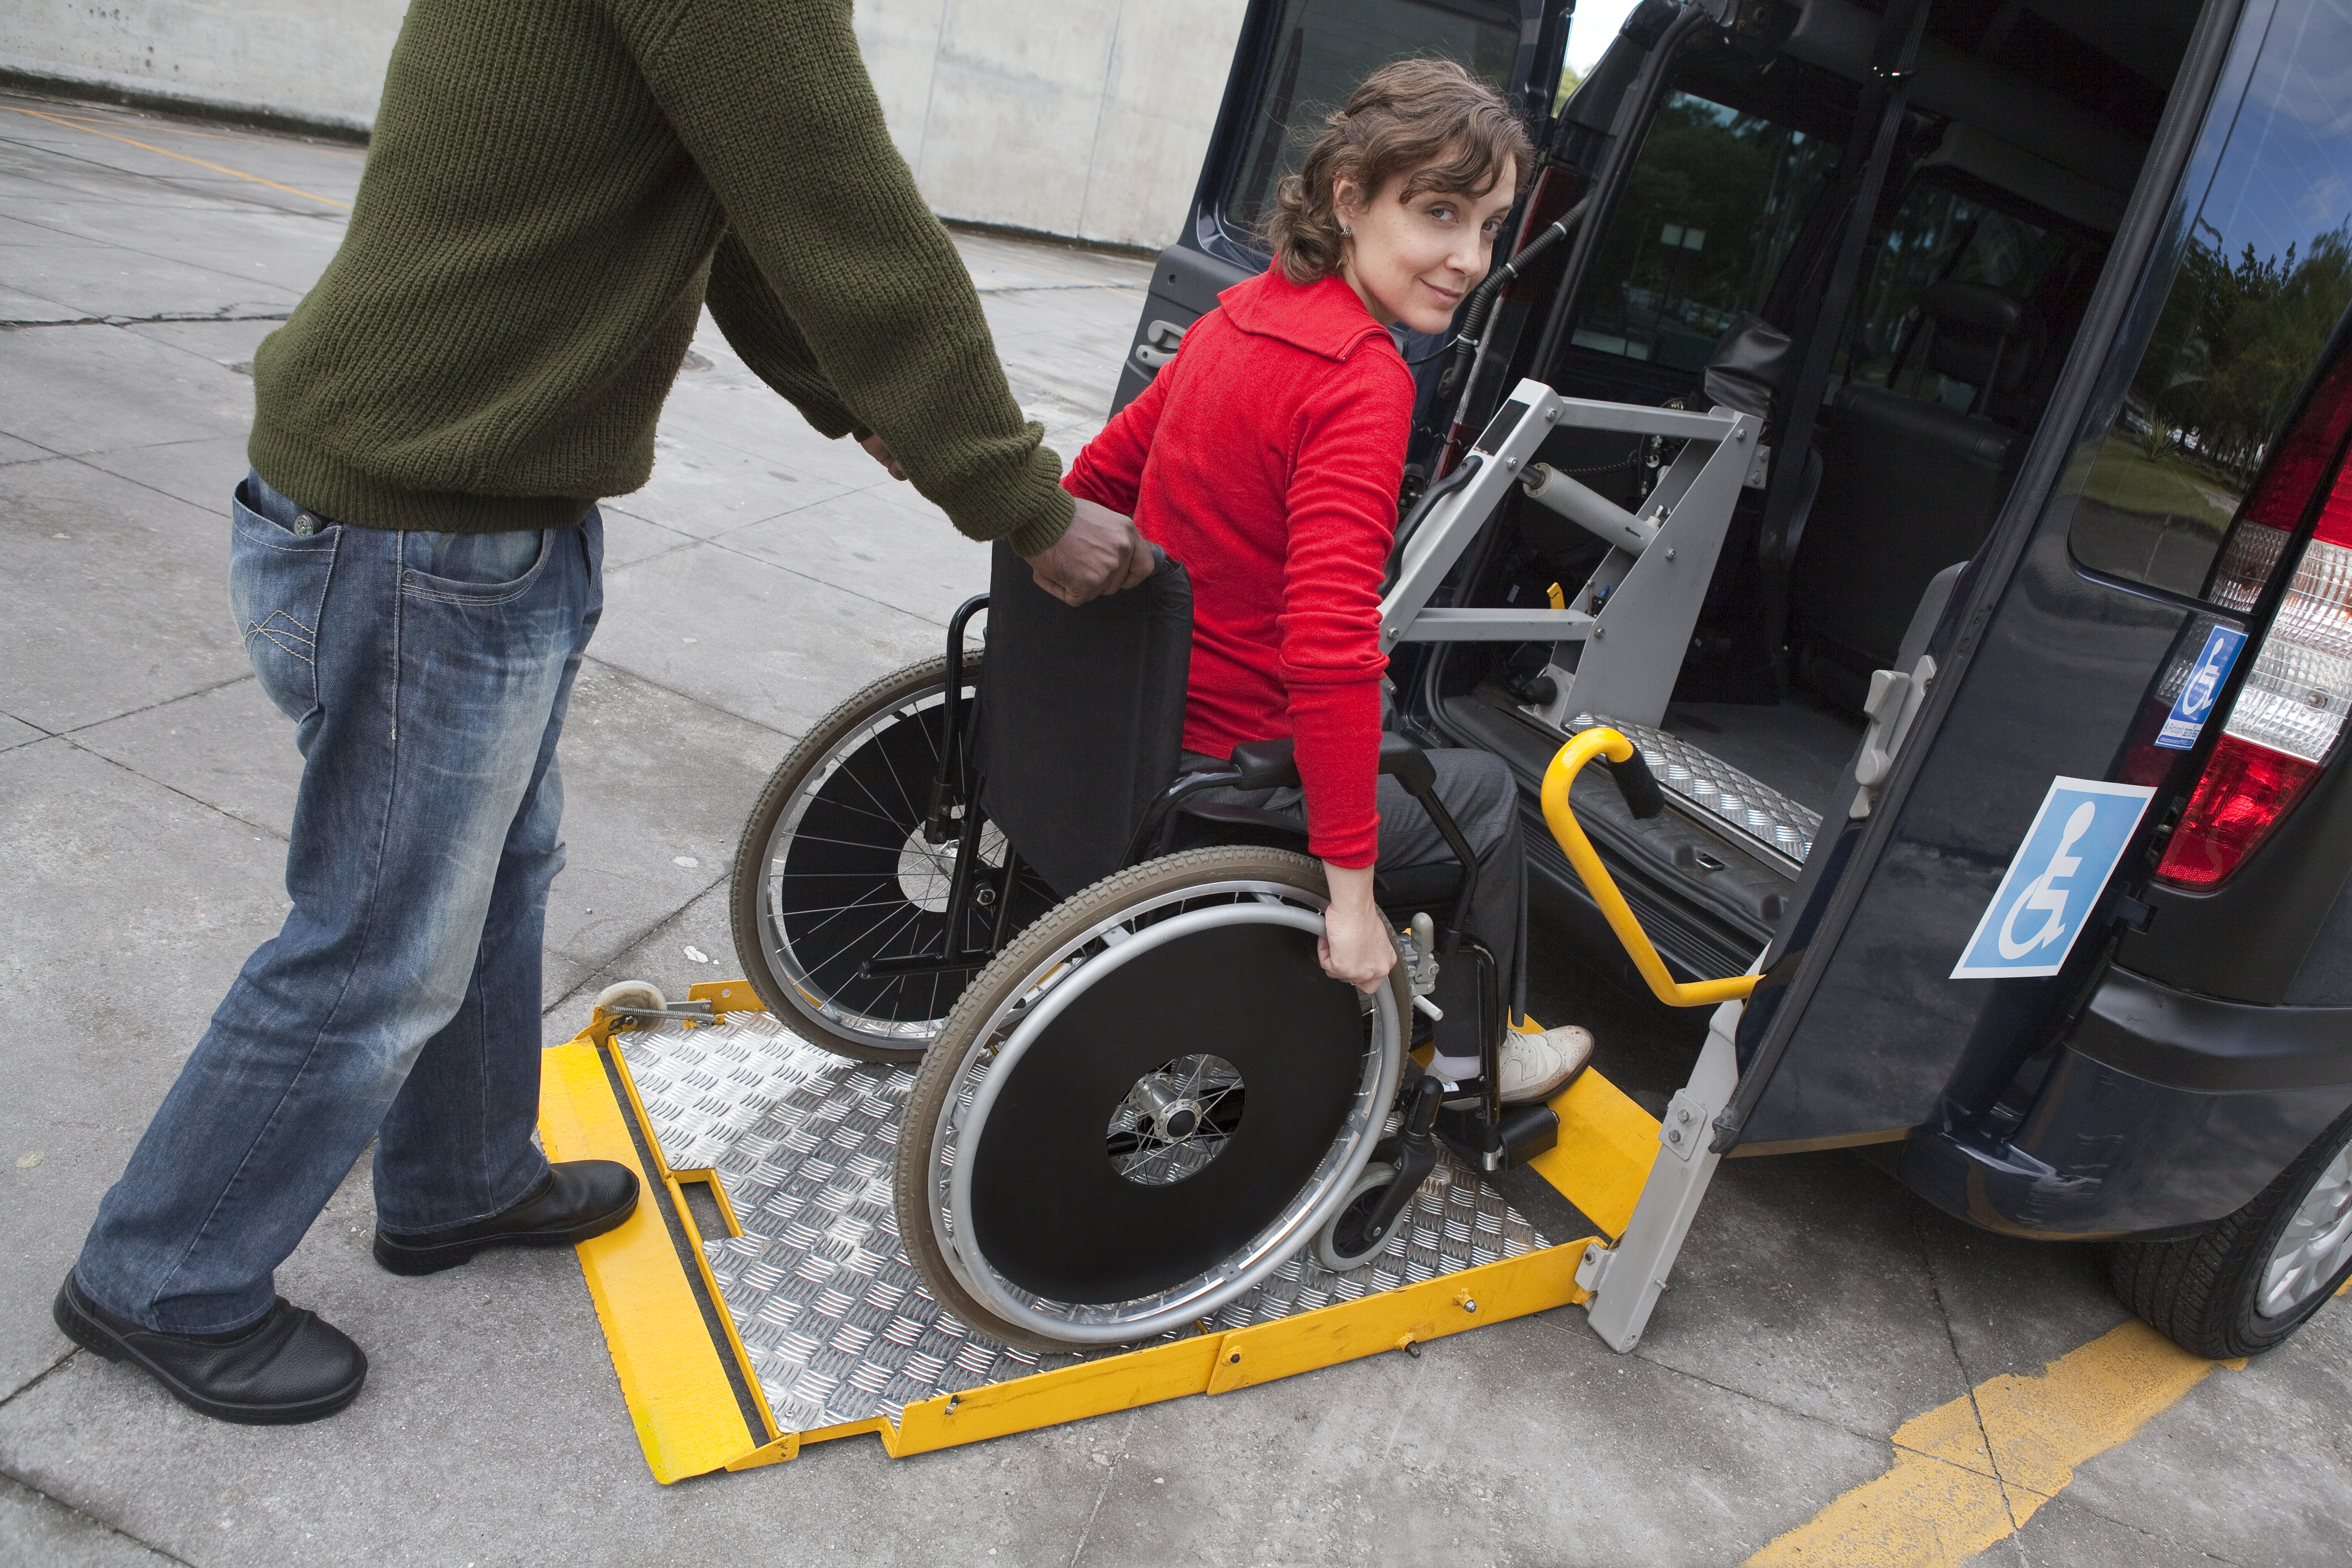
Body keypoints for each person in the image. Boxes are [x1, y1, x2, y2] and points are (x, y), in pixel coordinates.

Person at [52, 0, 1149, 1426]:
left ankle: (456, 1179)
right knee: (380, 943)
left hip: (465, 513)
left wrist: (870, 412)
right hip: (423, 531)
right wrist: (1013, 496)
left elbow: (750, 227)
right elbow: (843, 219)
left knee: (500, 877)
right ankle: (161, 1276)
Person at [1062, 59, 1595, 1101]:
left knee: (1406, 741)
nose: (1468, 258)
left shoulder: (1235, 315)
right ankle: (1480, 1062)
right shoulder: (1362, 379)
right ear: (1349, 196)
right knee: (1483, 795)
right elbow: (1327, 651)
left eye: (1488, 227)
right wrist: (1351, 898)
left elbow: (1093, 484)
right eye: (1438, 212)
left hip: (1133, 726)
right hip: (1232, 776)